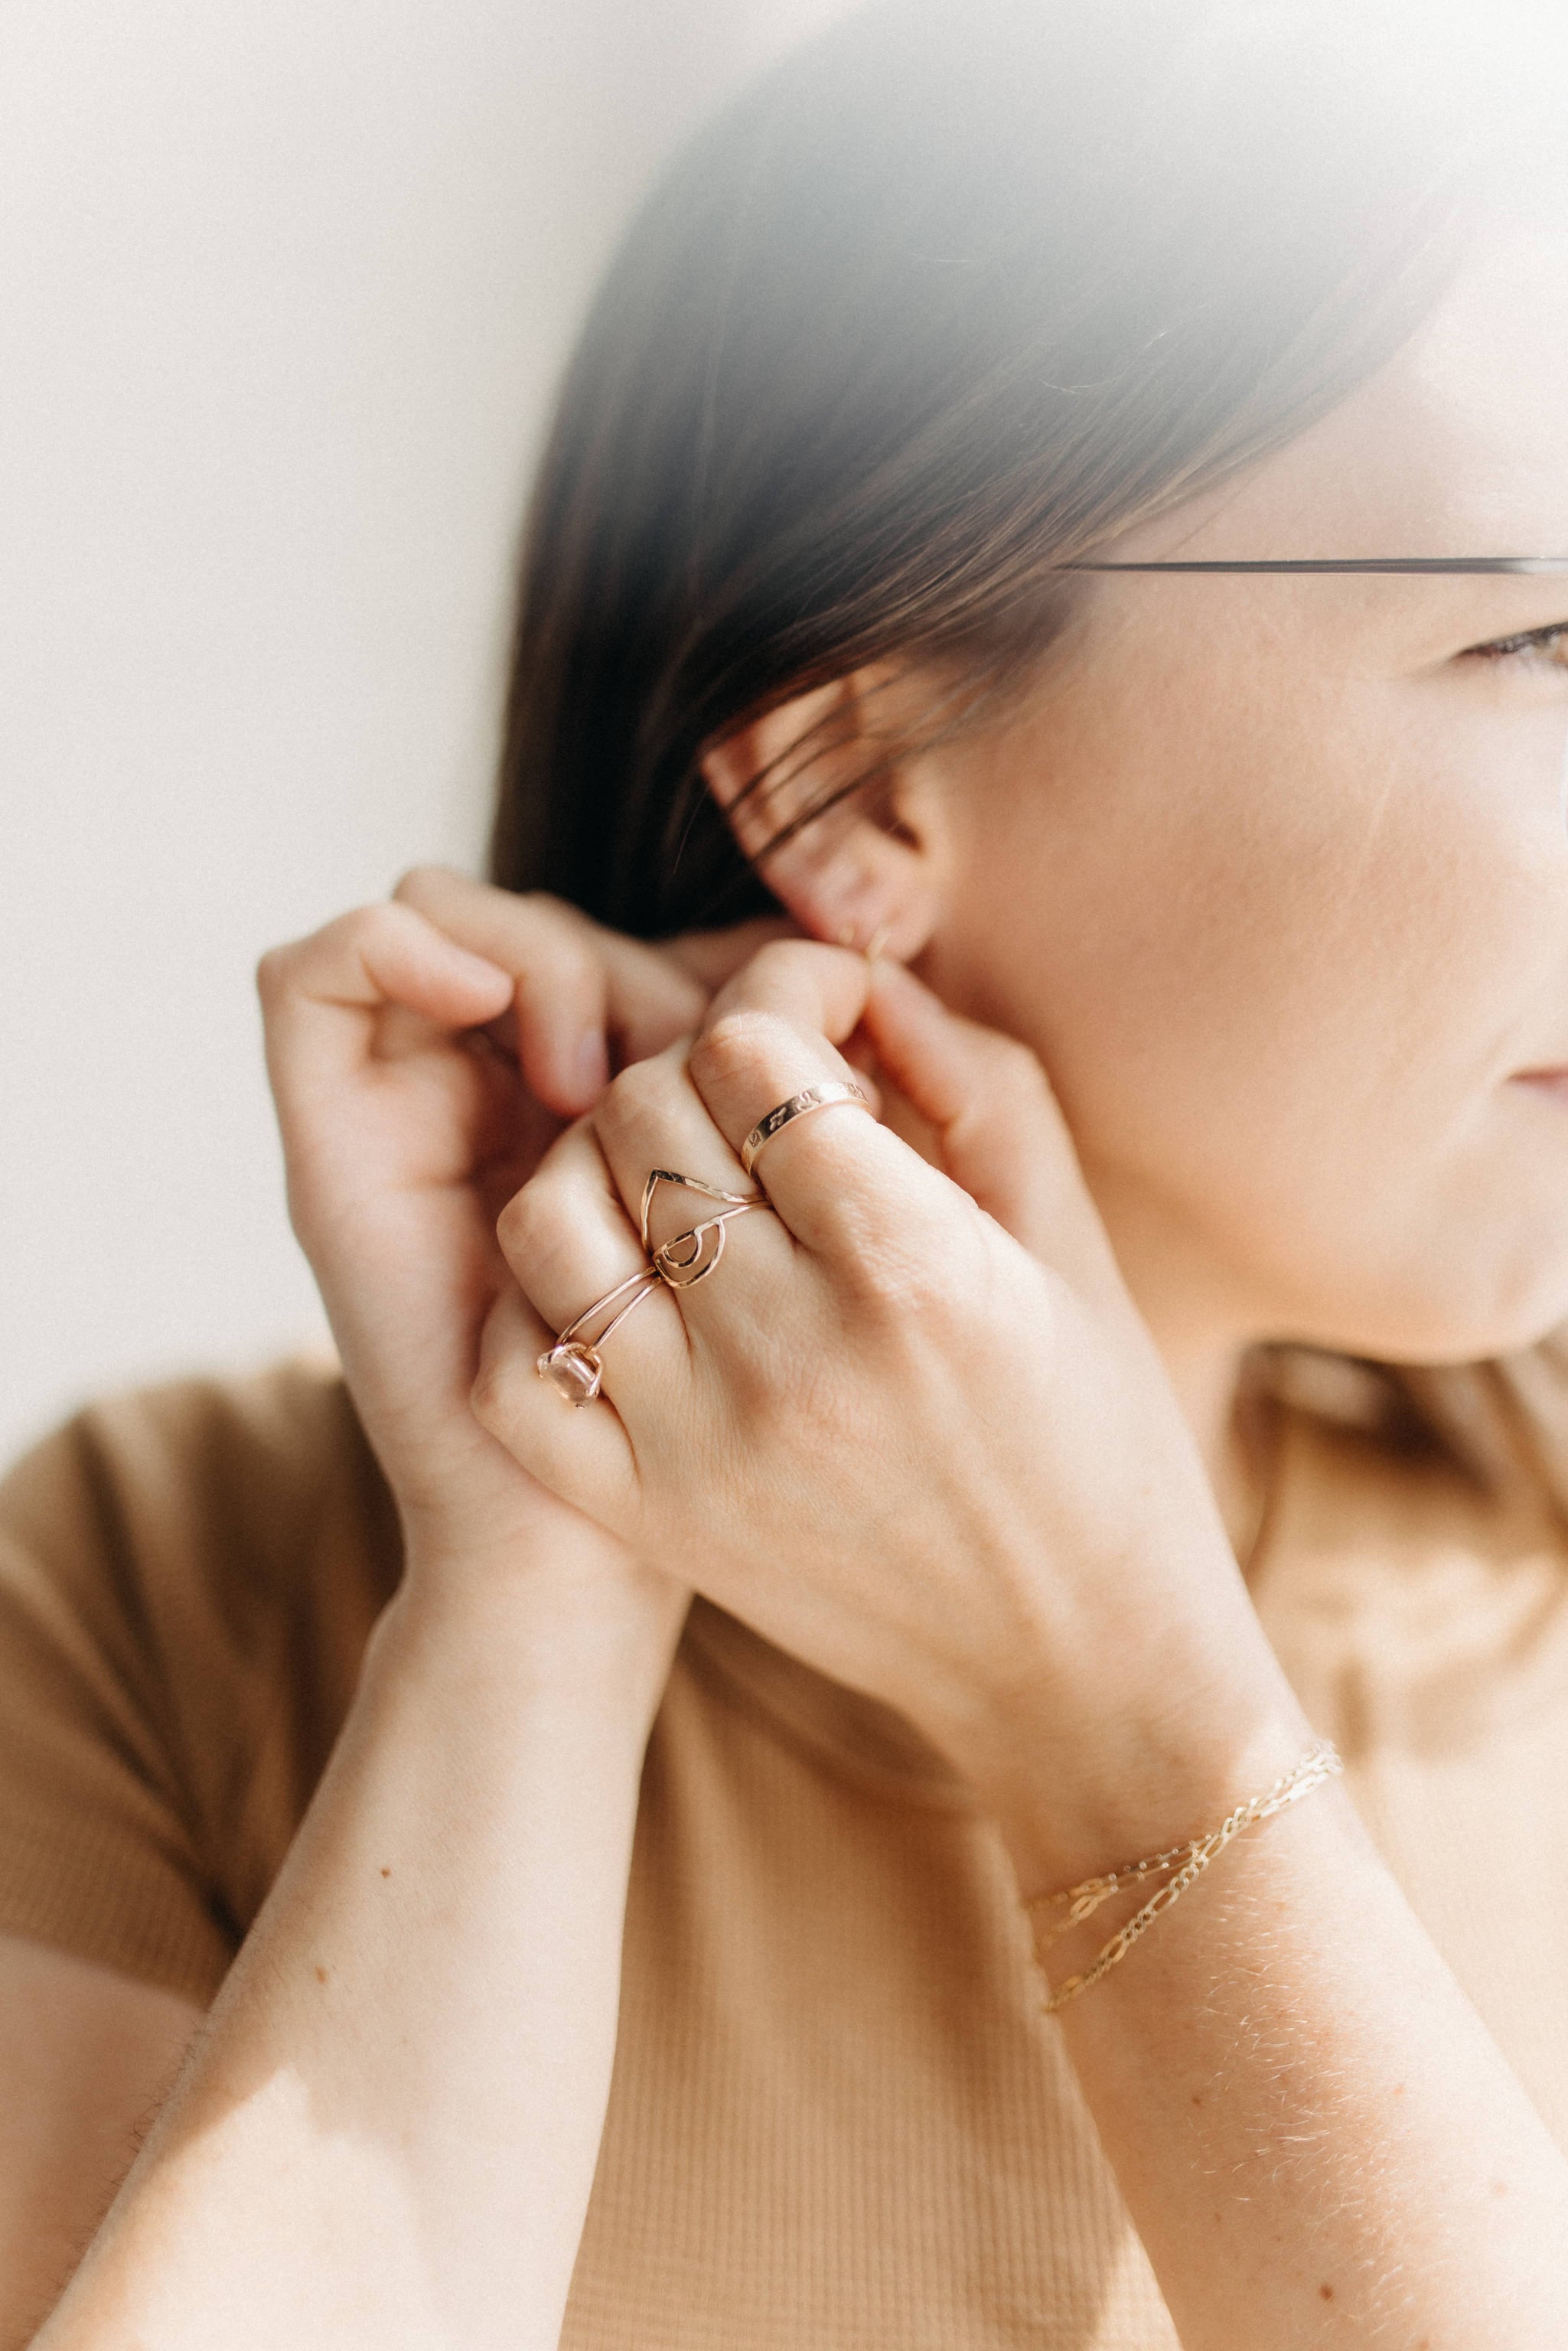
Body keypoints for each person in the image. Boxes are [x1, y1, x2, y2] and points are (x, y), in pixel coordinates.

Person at [5, 1, 1568, 2342]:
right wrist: (531, 1591)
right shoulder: (150, 1601)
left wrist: (1130, 1716)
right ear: (849, 787)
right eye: (1539, 632)